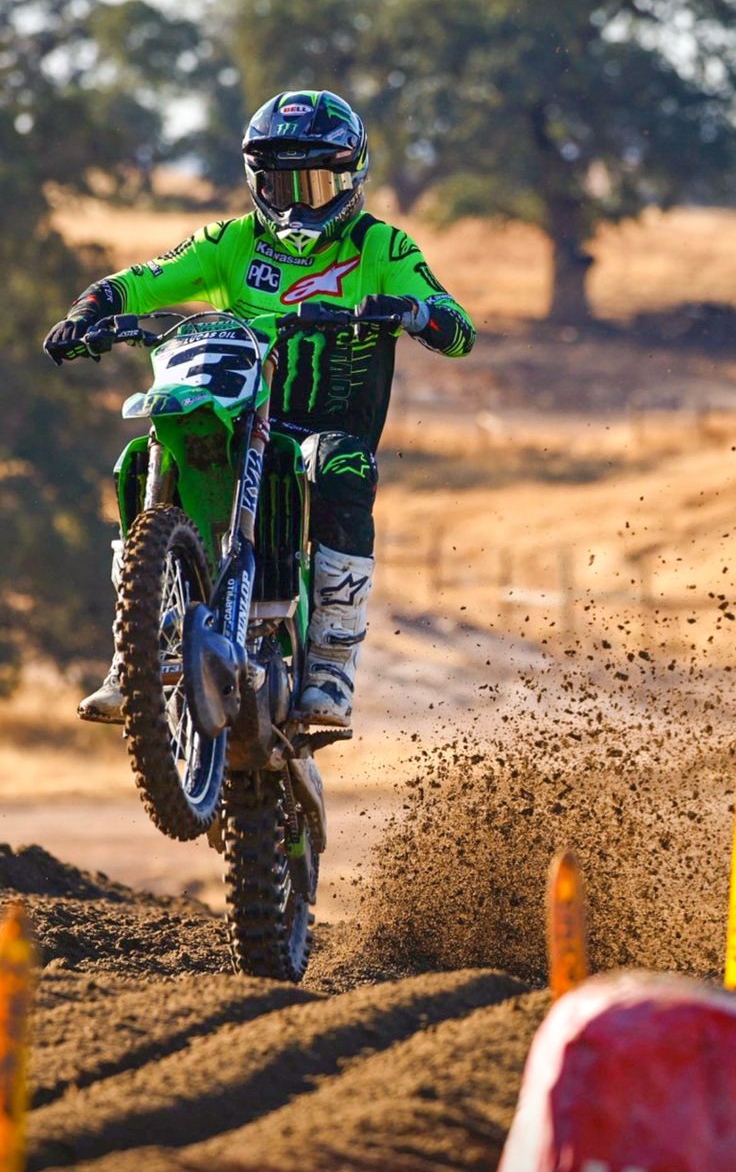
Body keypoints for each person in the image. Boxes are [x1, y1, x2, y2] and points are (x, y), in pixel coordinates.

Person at [44, 89, 476, 729]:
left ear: (350, 178)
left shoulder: (380, 246)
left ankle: (332, 657)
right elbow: (144, 279)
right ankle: (133, 649)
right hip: (234, 410)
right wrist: (89, 311)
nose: (297, 200)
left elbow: (459, 328)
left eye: (315, 181)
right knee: (140, 459)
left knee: (340, 467)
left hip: (323, 425)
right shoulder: (230, 241)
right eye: (280, 182)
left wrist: (413, 311)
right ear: (255, 180)